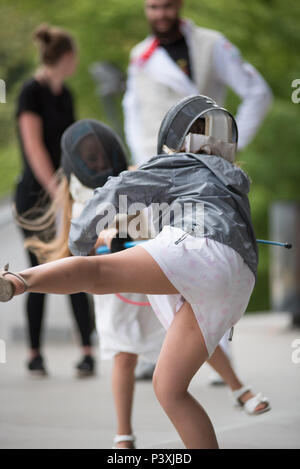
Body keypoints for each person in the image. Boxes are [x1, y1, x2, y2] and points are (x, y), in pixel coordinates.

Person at [1, 96, 270, 449]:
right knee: (169, 388)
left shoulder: (177, 163)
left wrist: (81, 241)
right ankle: (238, 391)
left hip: (199, 249)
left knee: (95, 273)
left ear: (177, 138)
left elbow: (115, 190)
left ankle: (16, 281)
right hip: (239, 280)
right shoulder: (235, 182)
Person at [123, 0, 273, 384]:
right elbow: (133, 110)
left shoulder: (213, 45)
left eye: (167, 5)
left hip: (206, 173)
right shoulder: (140, 56)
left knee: (208, 255)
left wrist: (229, 148)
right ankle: (158, 352)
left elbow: (258, 92)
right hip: (157, 171)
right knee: (158, 259)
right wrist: (141, 163)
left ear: (180, 5)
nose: (160, 14)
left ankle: (218, 357)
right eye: (153, 6)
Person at [14, 23, 95, 377]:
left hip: (64, 192)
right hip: (35, 195)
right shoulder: (30, 92)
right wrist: (54, 192)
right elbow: (33, 147)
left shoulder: (66, 95)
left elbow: (72, 145)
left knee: (74, 265)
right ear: (66, 57)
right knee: (38, 271)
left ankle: (87, 350)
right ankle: (34, 352)